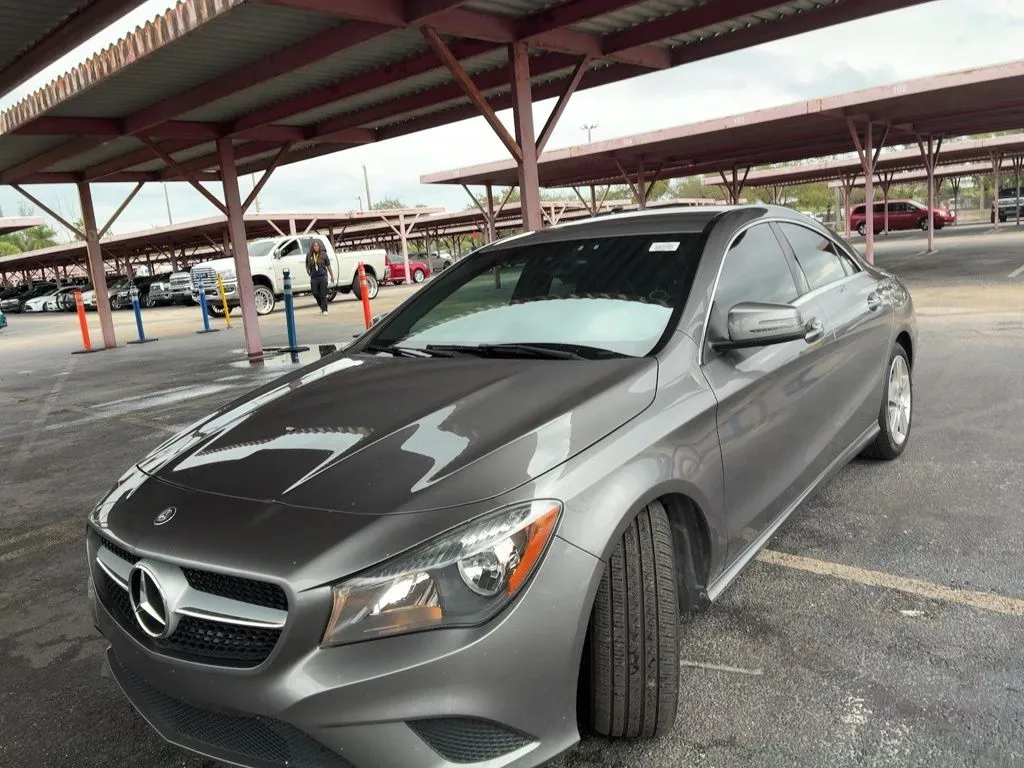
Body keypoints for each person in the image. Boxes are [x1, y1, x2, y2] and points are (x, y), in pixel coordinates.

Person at [306, 239, 334, 315]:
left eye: (317, 245)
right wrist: (308, 272)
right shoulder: (309, 255)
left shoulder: (324, 254)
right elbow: (307, 265)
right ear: (312, 247)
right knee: (315, 293)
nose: (316, 247)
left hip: (322, 277)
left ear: (319, 246)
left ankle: (325, 310)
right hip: (314, 277)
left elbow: (328, 266)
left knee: (323, 294)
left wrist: (332, 276)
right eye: (314, 246)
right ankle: (321, 306)